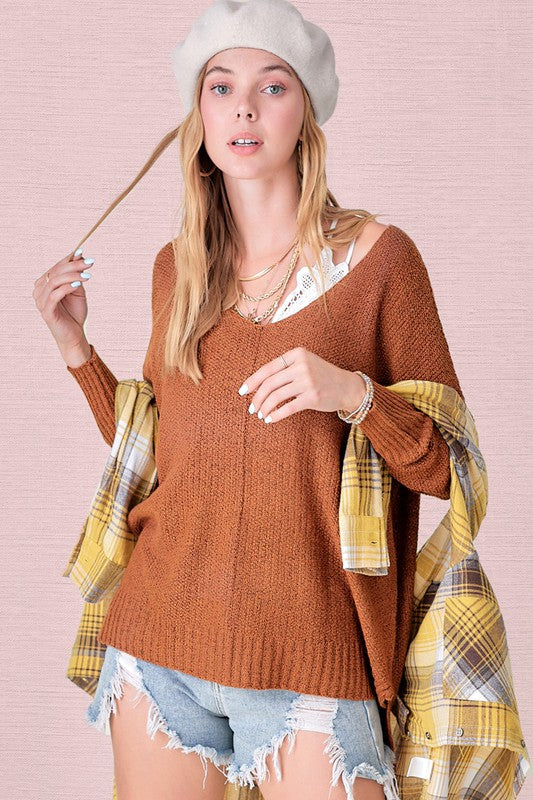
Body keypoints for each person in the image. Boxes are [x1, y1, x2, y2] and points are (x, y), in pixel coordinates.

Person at [32, 1, 465, 798]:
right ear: (198, 115)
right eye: (221, 87)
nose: (243, 109)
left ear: (305, 113)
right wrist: (75, 351)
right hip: (159, 643)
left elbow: (443, 468)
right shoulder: (177, 269)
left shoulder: (380, 262)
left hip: (312, 655)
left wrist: (353, 394)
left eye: (271, 87)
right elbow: (160, 452)